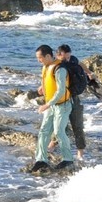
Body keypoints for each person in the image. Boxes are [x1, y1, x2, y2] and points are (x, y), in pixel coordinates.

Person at [32, 44, 74, 173]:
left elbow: (61, 91)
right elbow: (46, 81)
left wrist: (47, 104)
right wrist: (42, 88)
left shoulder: (60, 69)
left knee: (59, 131)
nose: (39, 60)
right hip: (51, 104)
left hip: (63, 105)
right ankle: (41, 160)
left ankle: (68, 159)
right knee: (44, 131)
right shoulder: (46, 67)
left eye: (40, 58)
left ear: (48, 56)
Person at [55, 44, 94, 161]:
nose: (68, 60)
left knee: (78, 126)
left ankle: (80, 153)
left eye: (68, 57)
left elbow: (79, 63)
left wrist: (89, 72)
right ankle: (52, 145)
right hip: (61, 99)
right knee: (58, 125)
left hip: (74, 97)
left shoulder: (73, 59)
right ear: (58, 55)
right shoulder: (55, 65)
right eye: (65, 58)